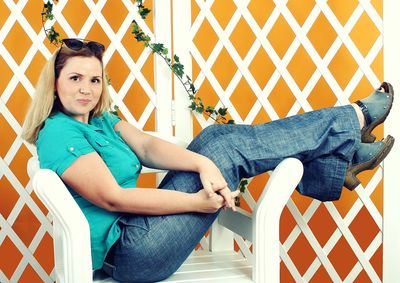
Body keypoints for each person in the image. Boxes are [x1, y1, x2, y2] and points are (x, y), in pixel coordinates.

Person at [22, 38, 394, 282]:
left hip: (140, 231)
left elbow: (149, 148)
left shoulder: (103, 120)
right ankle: (352, 124)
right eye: (74, 78)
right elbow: (112, 198)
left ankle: (338, 160)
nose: (86, 89)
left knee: (216, 140)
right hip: (127, 254)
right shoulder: (58, 132)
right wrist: (195, 202)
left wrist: (202, 165)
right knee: (222, 146)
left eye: (95, 80)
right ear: (54, 84)